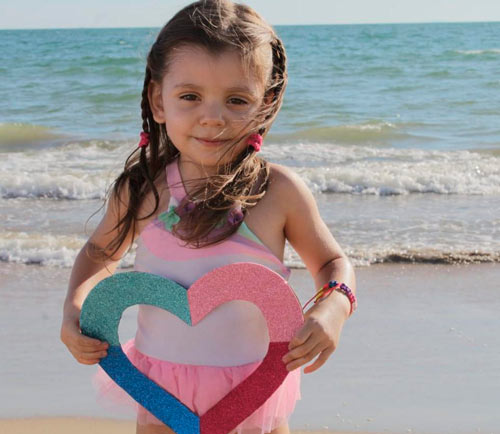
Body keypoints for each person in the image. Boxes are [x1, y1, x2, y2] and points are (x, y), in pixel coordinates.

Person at [60, 1, 357, 433]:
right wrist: (74, 308)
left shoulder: (277, 191)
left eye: (236, 100)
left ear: (265, 103)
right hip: (160, 390)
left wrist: (334, 307)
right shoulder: (143, 190)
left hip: (256, 389)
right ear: (158, 100)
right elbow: (100, 253)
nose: (212, 117)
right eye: (190, 97)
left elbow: (332, 262)